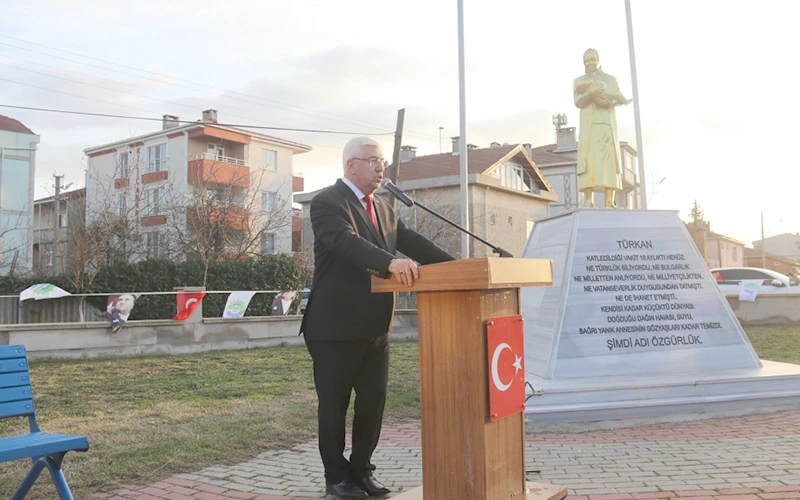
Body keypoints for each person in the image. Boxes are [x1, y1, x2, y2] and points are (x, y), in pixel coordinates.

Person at [300, 137, 455, 499]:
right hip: (335, 327)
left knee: (373, 403)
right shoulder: (327, 202)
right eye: (372, 160)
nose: (380, 167)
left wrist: (460, 267)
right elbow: (344, 242)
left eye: (381, 161)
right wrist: (389, 262)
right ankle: (336, 477)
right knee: (335, 407)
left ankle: (362, 471)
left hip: (375, 327)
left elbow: (414, 243)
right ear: (350, 165)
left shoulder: (384, 206)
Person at [574, 48, 632, 209]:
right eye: (587, 61)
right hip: (589, 126)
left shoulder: (610, 79)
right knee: (589, 162)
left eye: (593, 60)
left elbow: (618, 98)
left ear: (598, 60)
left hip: (606, 123)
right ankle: (588, 200)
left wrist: (609, 102)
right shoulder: (579, 81)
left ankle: (609, 201)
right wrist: (590, 94)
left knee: (609, 162)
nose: (590, 63)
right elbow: (578, 102)